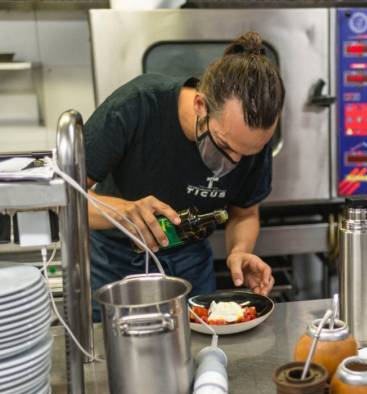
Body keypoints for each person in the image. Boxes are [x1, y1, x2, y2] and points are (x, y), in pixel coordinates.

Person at [85, 32, 284, 320]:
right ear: (201, 105)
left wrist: (239, 251)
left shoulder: (250, 139)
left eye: (249, 152)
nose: (235, 161)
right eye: (225, 145)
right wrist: (124, 211)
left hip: (191, 261)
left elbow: (245, 213)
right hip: (116, 262)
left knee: (196, 353)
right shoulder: (137, 105)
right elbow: (65, 195)